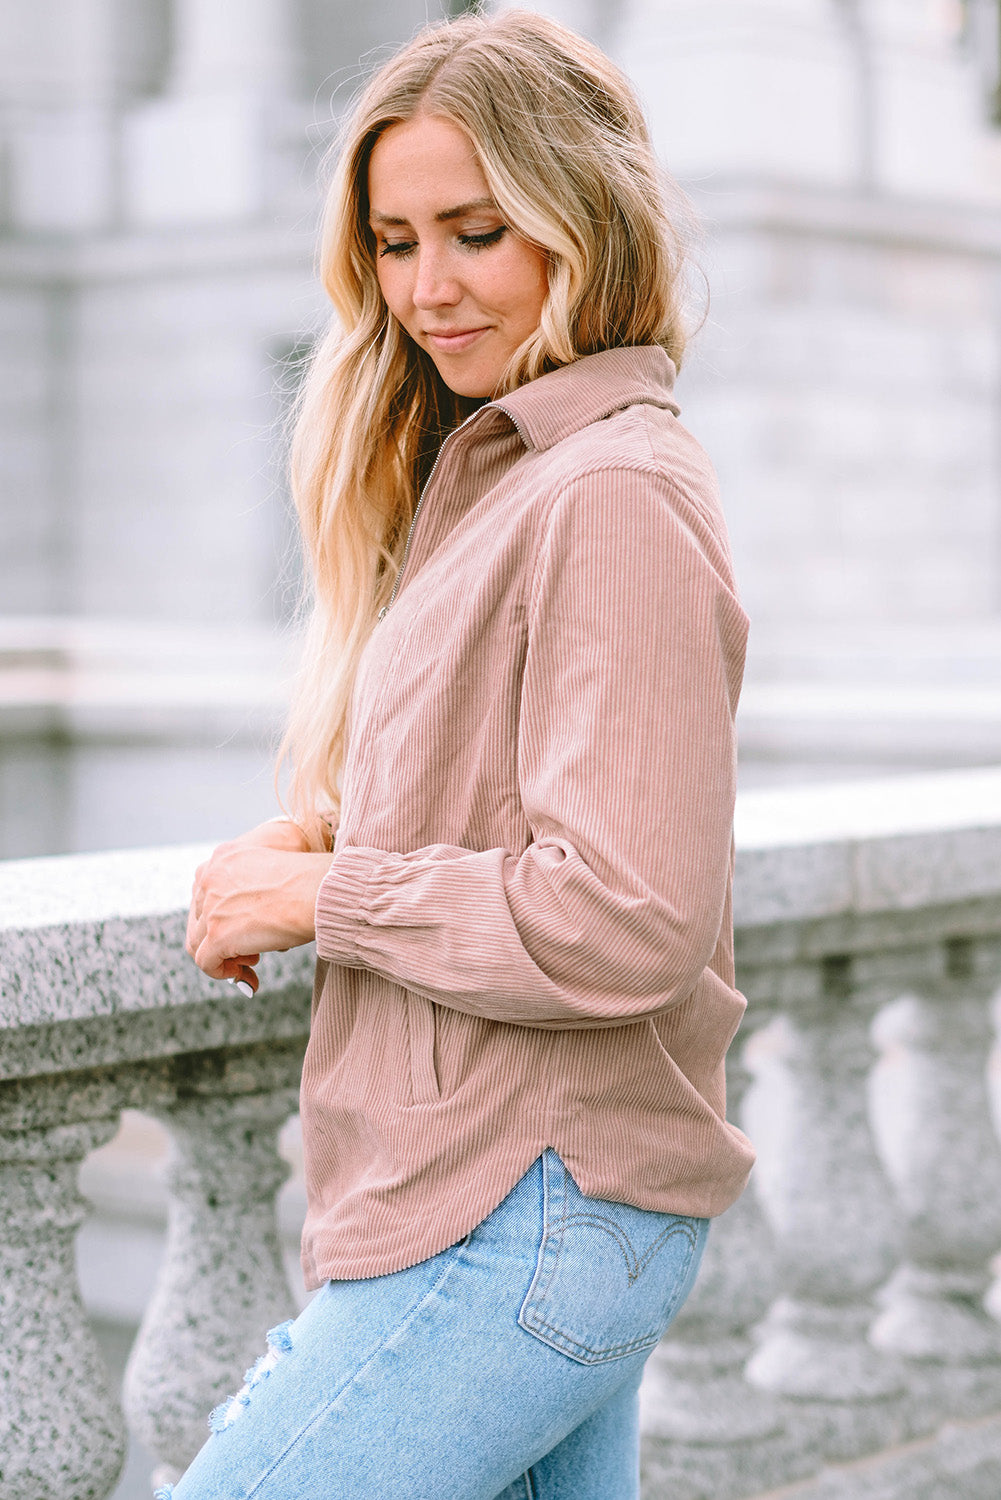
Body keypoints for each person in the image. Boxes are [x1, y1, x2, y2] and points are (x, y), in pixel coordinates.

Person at [177, 9, 754, 1498]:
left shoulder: (609, 490)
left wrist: (328, 899)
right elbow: (515, 807)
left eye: (478, 233)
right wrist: (344, 833)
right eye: (392, 240)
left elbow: (626, 914)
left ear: (582, 224)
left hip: (525, 1212)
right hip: (525, 1208)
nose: (426, 289)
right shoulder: (513, 473)